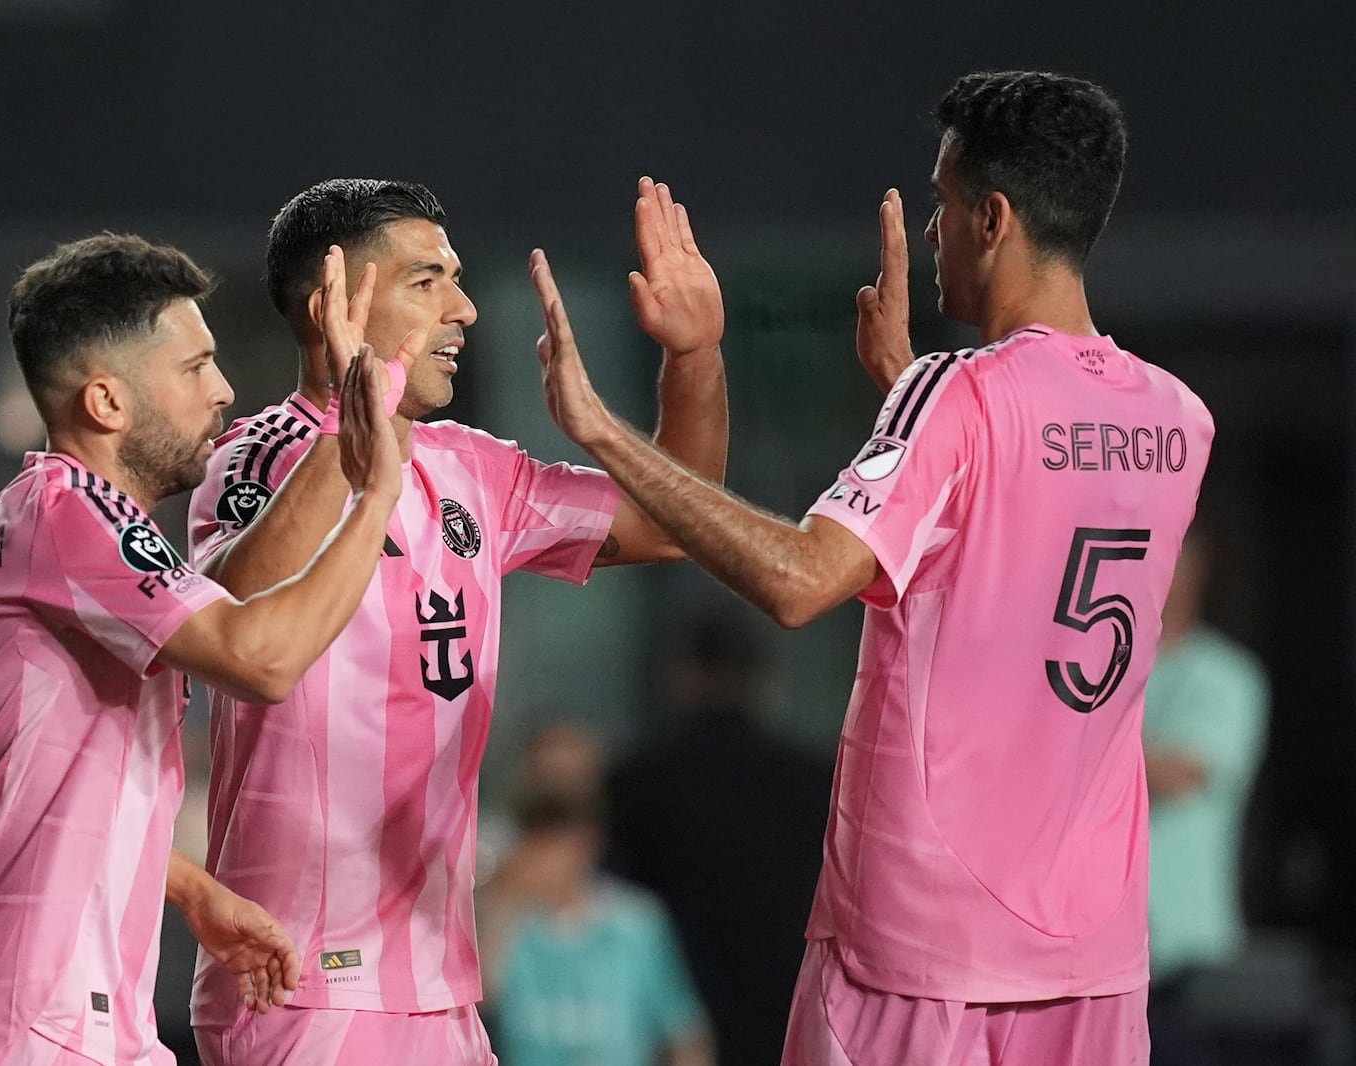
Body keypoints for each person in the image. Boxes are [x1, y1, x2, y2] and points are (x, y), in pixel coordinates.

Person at [530, 70, 1214, 1065]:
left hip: (921, 941)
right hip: (1088, 952)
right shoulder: (1175, 419)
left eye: (940, 204)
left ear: (992, 217)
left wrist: (601, 430)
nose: (930, 231)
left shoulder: (955, 396)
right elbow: (1017, 538)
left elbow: (805, 579)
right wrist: (905, 391)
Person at [184, 177, 728, 1064]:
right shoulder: (258, 452)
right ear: (335, 306)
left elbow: (677, 524)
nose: (465, 309)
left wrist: (695, 358)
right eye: (427, 281)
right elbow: (235, 612)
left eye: (458, 280)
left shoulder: (475, 470)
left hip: (442, 990)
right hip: (304, 983)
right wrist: (355, 425)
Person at [0, 233, 406, 1066]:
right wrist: (377, 489)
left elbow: (59, 788)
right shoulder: (67, 515)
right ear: (107, 402)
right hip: (21, 1016)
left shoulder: (85, 525)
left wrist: (194, 891)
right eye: (195, 366)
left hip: (68, 1011)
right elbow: (262, 659)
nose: (225, 389)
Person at [604, 607, 832, 1065]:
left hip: (673, 1017)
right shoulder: (813, 780)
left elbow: (616, 898)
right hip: (781, 1007)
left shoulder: (639, 778)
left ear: (682, 674)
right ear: (762, 677)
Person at [477, 752, 713, 1066]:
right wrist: (504, 906)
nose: (546, 857)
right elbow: (476, 1003)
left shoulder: (638, 923)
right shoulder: (507, 924)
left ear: (590, 841)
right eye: (536, 838)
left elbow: (685, 1034)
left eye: (559, 838)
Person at [1144, 533, 1269, 1066]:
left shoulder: (1230, 678)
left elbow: (1181, 775)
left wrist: (1072, 752)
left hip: (1186, 956)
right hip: (1092, 959)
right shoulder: (1102, 667)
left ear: (1198, 569)